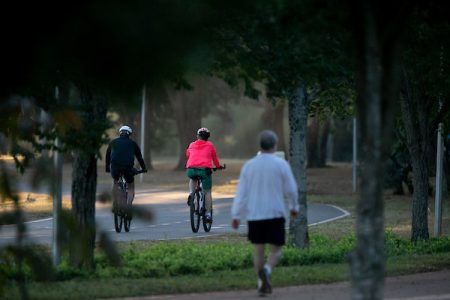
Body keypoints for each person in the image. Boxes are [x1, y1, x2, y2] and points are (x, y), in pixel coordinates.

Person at [231, 130, 299, 296]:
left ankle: (261, 282)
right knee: (276, 249)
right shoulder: (281, 164)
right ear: (275, 145)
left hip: (255, 214)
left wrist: (236, 215)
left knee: (258, 249)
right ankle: (267, 270)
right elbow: (291, 189)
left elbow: (241, 193)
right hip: (275, 213)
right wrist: (294, 207)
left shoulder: (249, 165)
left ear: (260, 145)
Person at [105, 125, 147, 211]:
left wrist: (107, 168)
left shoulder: (113, 142)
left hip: (115, 168)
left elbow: (107, 156)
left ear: (120, 133)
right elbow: (139, 157)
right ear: (129, 134)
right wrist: (144, 168)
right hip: (128, 168)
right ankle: (128, 207)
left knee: (115, 182)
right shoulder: (132, 143)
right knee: (131, 186)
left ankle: (115, 203)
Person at [186, 127, 221, 223]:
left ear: (198, 136)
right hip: (204, 170)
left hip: (191, 169)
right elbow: (214, 158)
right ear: (208, 137)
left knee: (193, 178)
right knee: (207, 192)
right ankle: (208, 215)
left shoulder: (191, 144)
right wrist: (217, 166)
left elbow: (188, 155)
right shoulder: (210, 145)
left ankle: (191, 194)